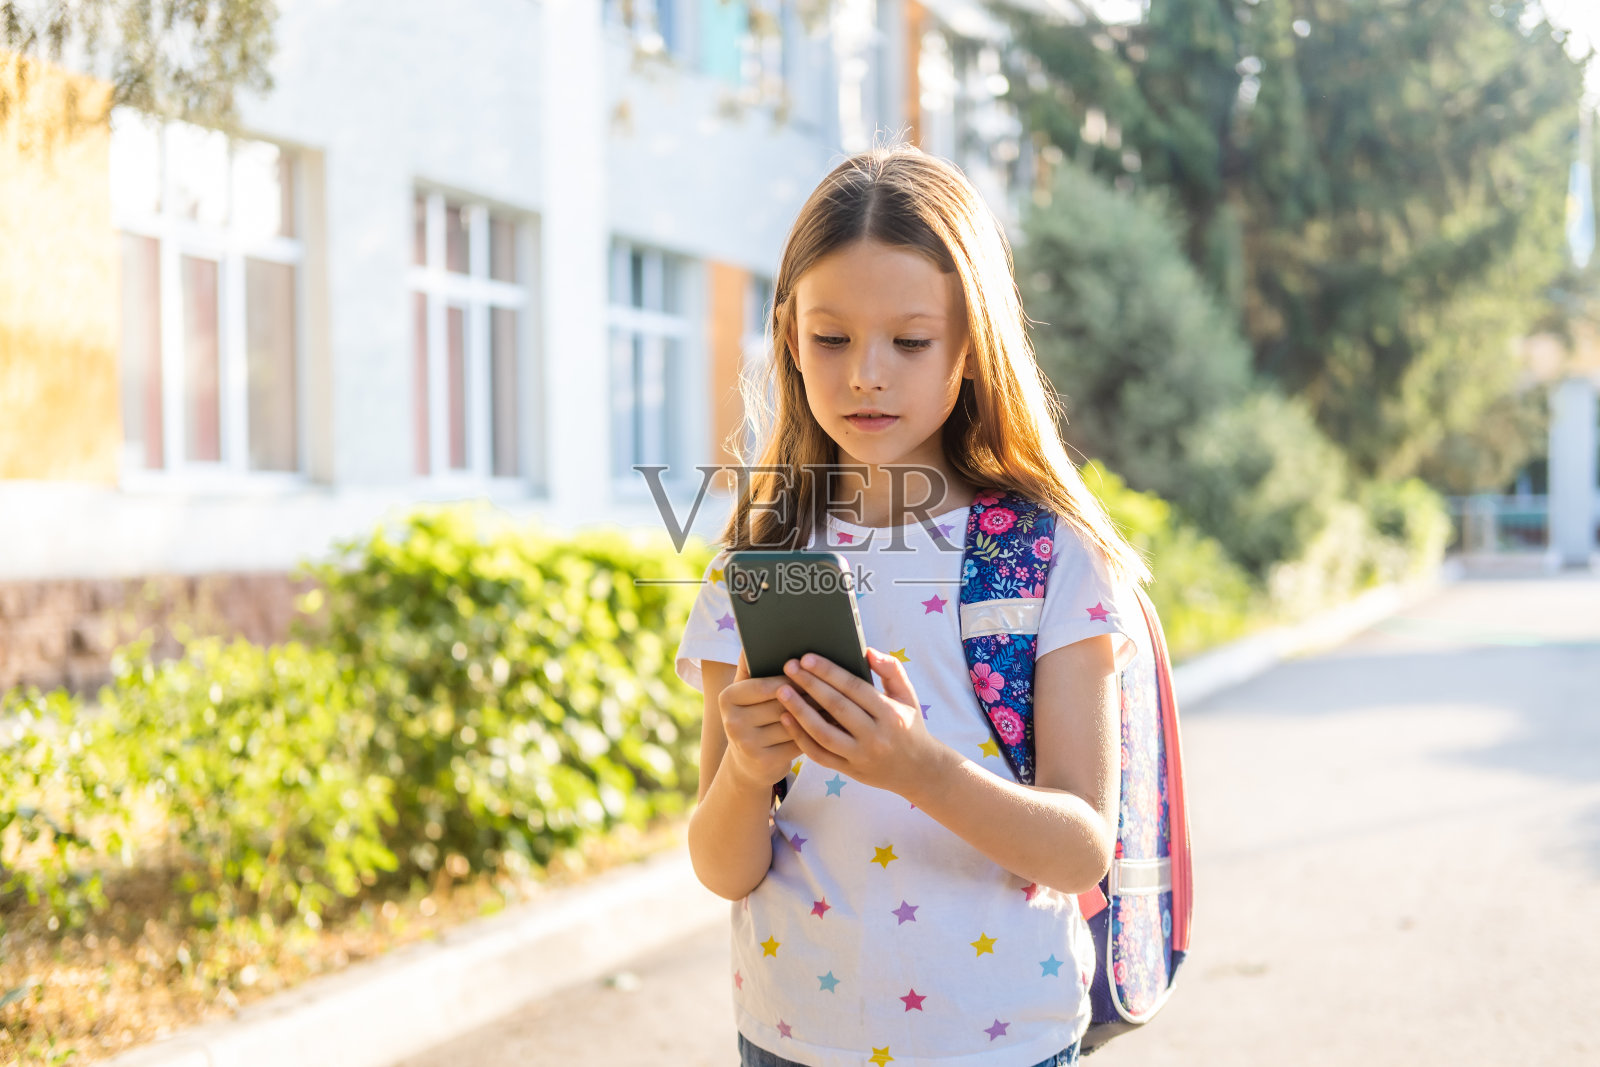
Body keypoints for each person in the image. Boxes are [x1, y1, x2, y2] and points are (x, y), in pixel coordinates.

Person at [674, 144, 1152, 1067]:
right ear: (787, 335)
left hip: (1000, 1040)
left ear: (971, 345)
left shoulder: (1048, 555)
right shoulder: (761, 559)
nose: (866, 374)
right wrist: (743, 772)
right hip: (790, 1039)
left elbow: (1081, 849)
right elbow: (721, 865)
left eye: (910, 339)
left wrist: (915, 765)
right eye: (832, 337)